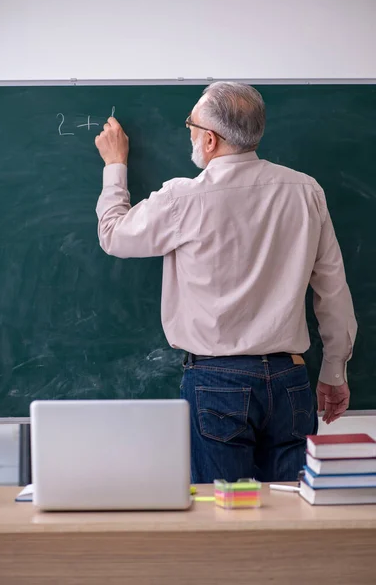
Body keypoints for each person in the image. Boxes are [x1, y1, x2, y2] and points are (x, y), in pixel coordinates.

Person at [95, 82, 357, 483]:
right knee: (293, 518)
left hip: (216, 384)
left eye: (191, 125)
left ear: (211, 140)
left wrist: (115, 164)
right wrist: (335, 372)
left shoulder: (183, 199)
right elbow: (333, 289)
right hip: (291, 382)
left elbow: (113, 233)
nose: (189, 132)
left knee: (223, 522)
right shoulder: (306, 190)